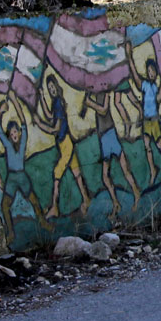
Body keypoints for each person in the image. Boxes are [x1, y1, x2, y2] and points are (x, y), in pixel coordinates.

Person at [35, 75, 93, 219]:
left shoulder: (59, 104)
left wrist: (41, 125)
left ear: (57, 86)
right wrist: (42, 98)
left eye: (53, 87)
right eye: (49, 89)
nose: (52, 90)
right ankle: (86, 199)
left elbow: (55, 128)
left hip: (66, 143)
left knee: (57, 173)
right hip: (64, 144)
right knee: (77, 173)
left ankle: (55, 207)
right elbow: (49, 115)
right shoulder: (55, 103)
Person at [0, 99, 51, 244]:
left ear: (19, 133)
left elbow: (24, 123)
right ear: (9, 135)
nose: (14, 134)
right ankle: (10, 232)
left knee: (33, 199)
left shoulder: (22, 142)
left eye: (16, 131)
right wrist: (0, 112)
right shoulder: (7, 145)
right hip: (12, 178)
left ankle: (43, 221)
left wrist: (18, 104)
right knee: (5, 205)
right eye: (11, 132)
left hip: (21, 175)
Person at [83, 85, 141, 219]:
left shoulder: (105, 93)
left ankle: (136, 193)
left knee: (124, 168)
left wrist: (90, 103)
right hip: (103, 137)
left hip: (110, 134)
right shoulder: (94, 93)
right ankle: (115, 202)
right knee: (105, 176)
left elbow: (103, 110)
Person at [135, 59, 161, 184]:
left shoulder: (155, 87)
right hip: (146, 121)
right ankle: (152, 171)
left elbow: (159, 97)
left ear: (156, 73)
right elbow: (136, 78)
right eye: (148, 71)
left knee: (160, 145)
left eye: (152, 71)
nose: (150, 73)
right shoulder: (145, 85)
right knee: (147, 146)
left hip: (154, 121)